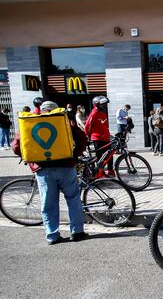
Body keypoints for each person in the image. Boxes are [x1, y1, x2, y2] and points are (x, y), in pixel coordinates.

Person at [13, 101, 87, 245]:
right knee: (73, 199)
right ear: (55, 109)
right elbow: (82, 138)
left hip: (43, 170)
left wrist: (31, 157)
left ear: (41, 110)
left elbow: (16, 146)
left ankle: (52, 235)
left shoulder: (30, 123)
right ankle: (77, 232)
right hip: (66, 167)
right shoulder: (64, 120)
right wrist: (74, 155)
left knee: (49, 203)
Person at [84, 96, 114, 178]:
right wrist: (87, 136)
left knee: (109, 155)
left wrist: (109, 134)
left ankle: (110, 170)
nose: (104, 106)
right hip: (97, 138)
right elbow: (87, 127)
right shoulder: (93, 114)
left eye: (105, 105)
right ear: (96, 105)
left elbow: (104, 126)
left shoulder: (103, 113)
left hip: (106, 137)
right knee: (100, 157)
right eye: (103, 105)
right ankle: (100, 172)